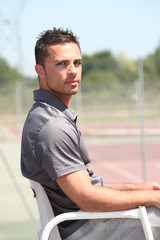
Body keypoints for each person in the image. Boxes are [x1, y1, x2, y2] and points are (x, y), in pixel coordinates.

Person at [21, 27, 160, 240]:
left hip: (86, 220)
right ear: (40, 70)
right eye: (61, 64)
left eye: (77, 63)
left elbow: (89, 187)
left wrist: (143, 188)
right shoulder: (52, 126)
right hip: (86, 229)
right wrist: (151, 198)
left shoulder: (49, 115)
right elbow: (88, 199)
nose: (73, 70)